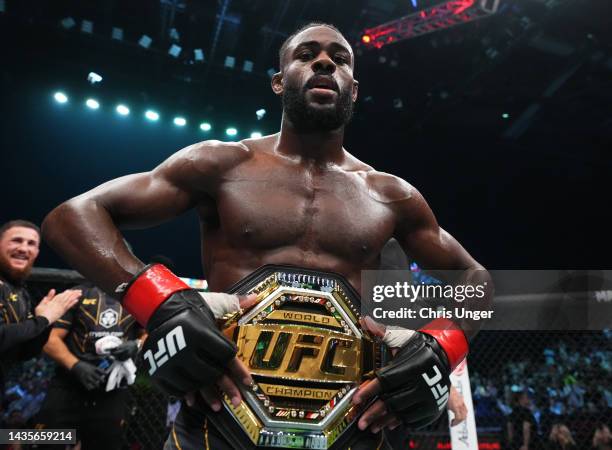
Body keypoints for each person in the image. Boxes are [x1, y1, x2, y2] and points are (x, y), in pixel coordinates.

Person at [42, 22, 490, 449]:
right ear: (279, 82)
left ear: (353, 89)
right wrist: (162, 304)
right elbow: (72, 217)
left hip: (350, 424)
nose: (324, 63)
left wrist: (439, 348)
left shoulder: (391, 194)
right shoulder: (222, 164)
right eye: (307, 54)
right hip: (221, 415)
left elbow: (478, 281)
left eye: (339, 58)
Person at [34, 283, 146, 450]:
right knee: (47, 441)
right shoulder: (75, 294)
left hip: (111, 390)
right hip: (68, 386)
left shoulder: (136, 297)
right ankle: (14, 437)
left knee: (105, 444)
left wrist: (137, 344)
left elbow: (151, 331)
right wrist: (76, 366)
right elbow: (49, 339)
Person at [0, 220, 80, 409]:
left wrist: (45, 323)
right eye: (16, 240)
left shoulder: (20, 291)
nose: (23, 248)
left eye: (31, 244)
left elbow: (25, 353)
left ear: (37, 253)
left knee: (53, 438)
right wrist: (44, 319)